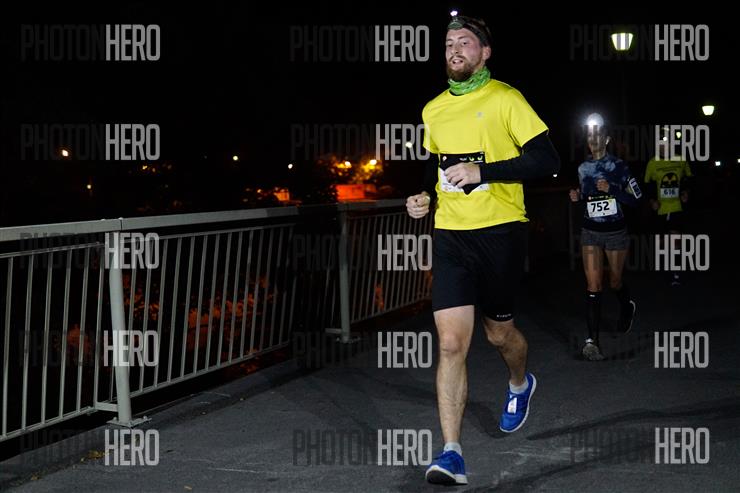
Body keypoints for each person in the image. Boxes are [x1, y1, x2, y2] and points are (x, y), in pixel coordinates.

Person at [405, 13, 560, 485]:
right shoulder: (433, 109)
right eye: (448, 43)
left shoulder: (505, 98)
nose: (454, 49)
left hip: (500, 232)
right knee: (451, 343)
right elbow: (439, 165)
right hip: (451, 234)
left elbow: (547, 160)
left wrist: (484, 172)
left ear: (485, 52)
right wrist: (423, 196)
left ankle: (519, 382)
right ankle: (451, 453)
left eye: (465, 42)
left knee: (499, 335)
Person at [568, 113, 641, 361]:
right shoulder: (582, 168)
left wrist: (613, 190)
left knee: (615, 282)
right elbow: (589, 198)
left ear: (607, 139)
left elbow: (637, 199)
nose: (593, 139)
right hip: (590, 232)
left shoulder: (619, 167)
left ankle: (626, 306)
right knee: (593, 286)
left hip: (615, 233)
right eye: (590, 135)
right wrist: (578, 197)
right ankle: (592, 343)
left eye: (598, 134)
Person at [644, 133, 693, 286]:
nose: (663, 147)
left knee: (676, 241)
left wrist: (686, 192)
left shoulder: (681, 160)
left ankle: (675, 273)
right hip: (660, 209)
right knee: (662, 244)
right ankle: (665, 270)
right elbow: (646, 185)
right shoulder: (652, 163)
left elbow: (688, 179)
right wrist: (652, 201)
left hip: (676, 207)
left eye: (666, 144)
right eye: (660, 144)